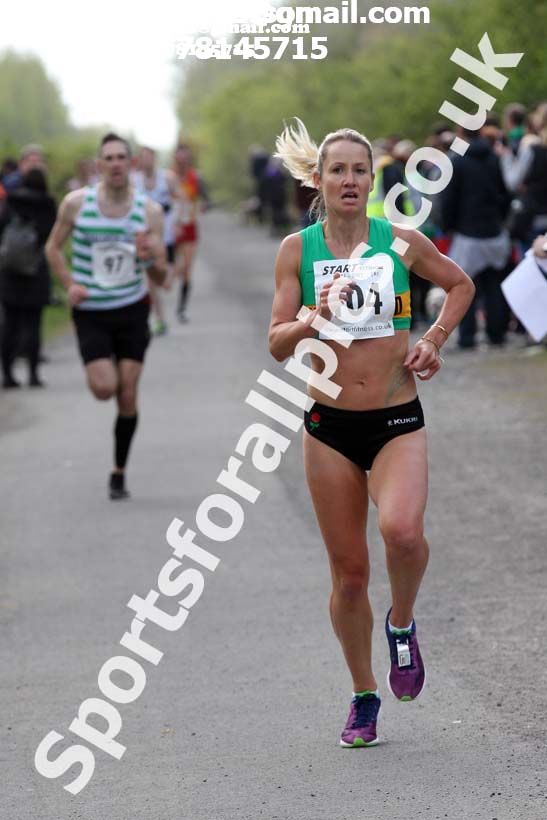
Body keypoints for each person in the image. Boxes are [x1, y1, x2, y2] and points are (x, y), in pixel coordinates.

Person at [269, 119, 474, 747]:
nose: (350, 180)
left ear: (373, 178)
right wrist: (312, 317)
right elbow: (277, 344)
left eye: (361, 169)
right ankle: (363, 695)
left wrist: (434, 339)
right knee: (349, 573)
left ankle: (403, 624)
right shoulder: (297, 252)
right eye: (339, 170)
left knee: (402, 532)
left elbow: (460, 284)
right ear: (319, 180)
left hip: (395, 418)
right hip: (329, 427)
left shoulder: (401, 242)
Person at [45, 133, 166, 500]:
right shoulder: (76, 204)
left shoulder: (149, 212)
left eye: (121, 158)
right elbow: (52, 247)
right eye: (108, 158)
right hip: (92, 311)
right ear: (99, 166)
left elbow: (163, 276)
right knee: (104, 389)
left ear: (131, 165)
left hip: (131, 308)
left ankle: (119, 470)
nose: (115, 164)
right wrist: (69, 283)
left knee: (127, 393)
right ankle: (106, 366)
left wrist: (148, 257)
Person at [441, 124, 511, 349]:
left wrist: (448, 225)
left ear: (461, 133)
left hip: (467, 234)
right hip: (494, 232)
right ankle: (497, 334)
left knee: (463, 286)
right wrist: (501, 220)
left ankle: (467, 336)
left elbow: (449, 198)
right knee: (494, 286)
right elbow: (505, 193)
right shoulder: (494, 158)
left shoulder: (457, 161)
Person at [0, 168, 56, 387]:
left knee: (9, 325)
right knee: (33, 324)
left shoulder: (11, 201)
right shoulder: (47, 204)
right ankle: (33, 374)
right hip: (35, 271)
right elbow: (53, 235)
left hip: (9, 272)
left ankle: (7, 374)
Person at [133, 146, 177, 335]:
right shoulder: (133, 180)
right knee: (150, 281)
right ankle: (157, 319)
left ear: (155, 159)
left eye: (149, 157)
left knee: (164, 278)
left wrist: (180, 221)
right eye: (142, 158)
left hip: (166, 235)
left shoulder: (166, 178)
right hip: (145, 237)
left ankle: (168, 278)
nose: (146, 161)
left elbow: (181, 200)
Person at [168, 143, 209, 323]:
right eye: (180, 158)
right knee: (171, 266)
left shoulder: (195, 177)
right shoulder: (168, 177)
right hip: (170, 227)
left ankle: (181, 309)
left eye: (186, 158)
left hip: (189, 225)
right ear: (175, 158)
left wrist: (202, 206)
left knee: (186, 268)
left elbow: (206, 199)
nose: (183, 161)